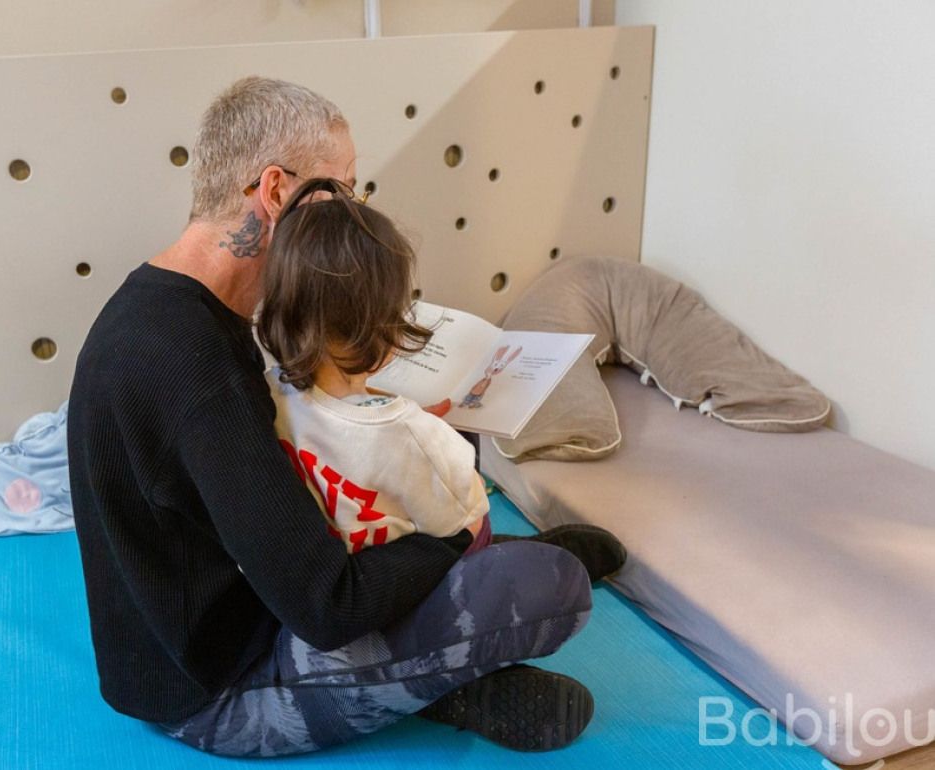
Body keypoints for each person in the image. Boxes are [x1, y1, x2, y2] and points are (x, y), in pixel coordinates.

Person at [66, 75, 625, 758]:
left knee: (434, 538)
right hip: (223, 691)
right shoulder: (195, 366)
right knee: (545, 587)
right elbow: (328, 607)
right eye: (343, 188)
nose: (353, 209)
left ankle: (454, 634)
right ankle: (450, 677)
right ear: (275, 192)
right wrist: (447, 541)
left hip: (246, 605)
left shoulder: (167, 307)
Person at [256, 177, 492, 555]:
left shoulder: (268, 392)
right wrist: (436, 444)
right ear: (382, 325)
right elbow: (468, 520)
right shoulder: (415, 436)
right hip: (421, 584)